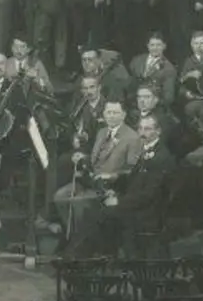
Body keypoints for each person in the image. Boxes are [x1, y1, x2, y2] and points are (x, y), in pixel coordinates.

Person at [63, 114, 176, 259]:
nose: (142, 133)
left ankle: (79, 258)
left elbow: (150, 195)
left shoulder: (160, 157)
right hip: (136, 204)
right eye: (140, 128)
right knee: (92, 210)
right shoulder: (146, 149)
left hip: (148, 212)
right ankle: (86, 256)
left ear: (158, 131)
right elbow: (135, 180)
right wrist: (114, 180)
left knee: (97, 214)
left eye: (147, 129)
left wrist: (119, 201)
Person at [51, 100, 140, 237]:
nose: (111, 116)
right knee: (60, 196)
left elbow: (133, 170)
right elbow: (96, 160)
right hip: (90, 181)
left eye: (115, 113)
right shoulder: (102, 132)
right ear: (104, 114)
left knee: (77, 203)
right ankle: (74, 235)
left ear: (123, 115)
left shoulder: (132, 138)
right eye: (108, 112)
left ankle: (83, 239)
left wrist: (112, 176)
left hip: (109, 187)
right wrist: (84, 157)